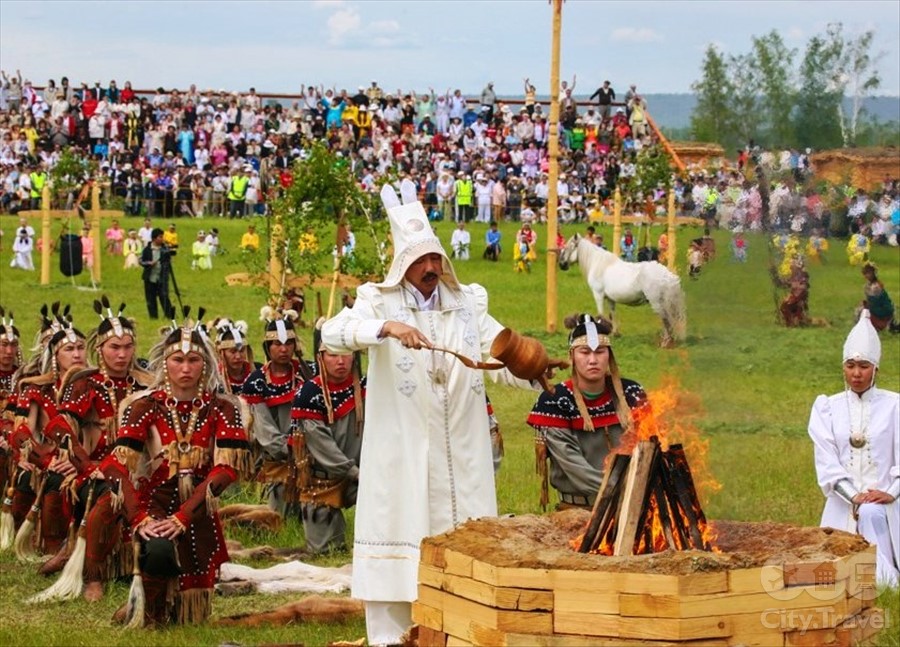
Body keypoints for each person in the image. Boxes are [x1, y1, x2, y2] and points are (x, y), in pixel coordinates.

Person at [321, 180, 540, 646]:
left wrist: (532, 371)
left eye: (434, 258)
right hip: (401, 454)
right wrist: (387, 327)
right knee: (398, 555)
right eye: (419, 260)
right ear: (403, 264)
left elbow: (499, 356)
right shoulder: (376, 300)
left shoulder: (467, 304)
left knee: (469, 558)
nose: (430, 267)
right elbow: (333, 334)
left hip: (462, 456)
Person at [98, 310, 250, 625]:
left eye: (193, 360)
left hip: (197, 506)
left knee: (190, 617)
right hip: (155, 503)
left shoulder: (223, 408)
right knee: (157, 550)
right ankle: (151, 616)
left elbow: (227, 470)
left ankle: (168, 607)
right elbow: (115, 465)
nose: (185, 368)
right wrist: (139, 517)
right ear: (165, 363)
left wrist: (184, 516)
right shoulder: (145, 405)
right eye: (177, 360)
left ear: (205, 364)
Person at [37, 298, 151, 600]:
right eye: (115, 347)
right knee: (106, 494)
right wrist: (84, 463)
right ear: (99, 348)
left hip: (139, 468)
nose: (122, 354)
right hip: (97, 470)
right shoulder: (86, 384)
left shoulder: (147, 385)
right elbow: (60, 426)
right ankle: (93, 575)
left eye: (128, 346)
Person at [808, 310, 899, 587]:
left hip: (888, 503)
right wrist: (854, 497)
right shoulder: (827, 407)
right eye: (850, 365)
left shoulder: (895, 405)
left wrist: (889, 493)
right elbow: (827, 463)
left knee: (872, 513)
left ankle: (884, 576)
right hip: (841, 503)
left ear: (876, 369)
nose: (857, 373)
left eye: (864, 366)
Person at [527, 314, 649, 510]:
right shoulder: (555, 399)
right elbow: (573, 465)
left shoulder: (631, 394)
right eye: (585, 352)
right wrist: (621, 488)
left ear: (609, 355)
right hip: (577, 511)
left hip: (631, 506)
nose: (593, 360)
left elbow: (647, 448)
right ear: (572, 356)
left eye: (600, 351)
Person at [290, 322, 364, 554]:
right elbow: (322, 445)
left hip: (364, 477)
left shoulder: (366, 388)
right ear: (321, 357)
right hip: (321, 481)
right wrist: (355, 473)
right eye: (333, 355)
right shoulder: (309, 393)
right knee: (326, 551)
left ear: (354, 356)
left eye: (345, 354)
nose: (340, 361)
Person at [243, 306, 315, 517]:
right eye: (277, 344)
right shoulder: (256, 381)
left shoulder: (308, 373)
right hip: (277, 459)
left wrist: (311, 452)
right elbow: (265, 431)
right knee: (278, 518)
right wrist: (293, 453)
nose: (283, 349)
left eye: (288, 343)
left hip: (311, 456)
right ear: (267, 347)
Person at [140, 228, 175, 320]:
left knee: (164, 297)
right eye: (160, 237)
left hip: (162, 277)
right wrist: (149, 263)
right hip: (150, 277)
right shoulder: (147, 249)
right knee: (151, 299)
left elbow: (170, 259)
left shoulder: (164, 249)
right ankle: (153, 317)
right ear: (154, 238)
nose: (162, 238)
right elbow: (141, 261)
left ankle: (169, 315)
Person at [860, 263, 900, 333]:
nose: (867, 275)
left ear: (874, 274)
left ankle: (882, 325)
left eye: (869, 273)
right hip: (878, 309)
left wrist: (867, 305)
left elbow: (876, 302)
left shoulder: (876, 286)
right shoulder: (868, 285)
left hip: (883, 311)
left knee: (862, 311)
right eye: (865, 273)